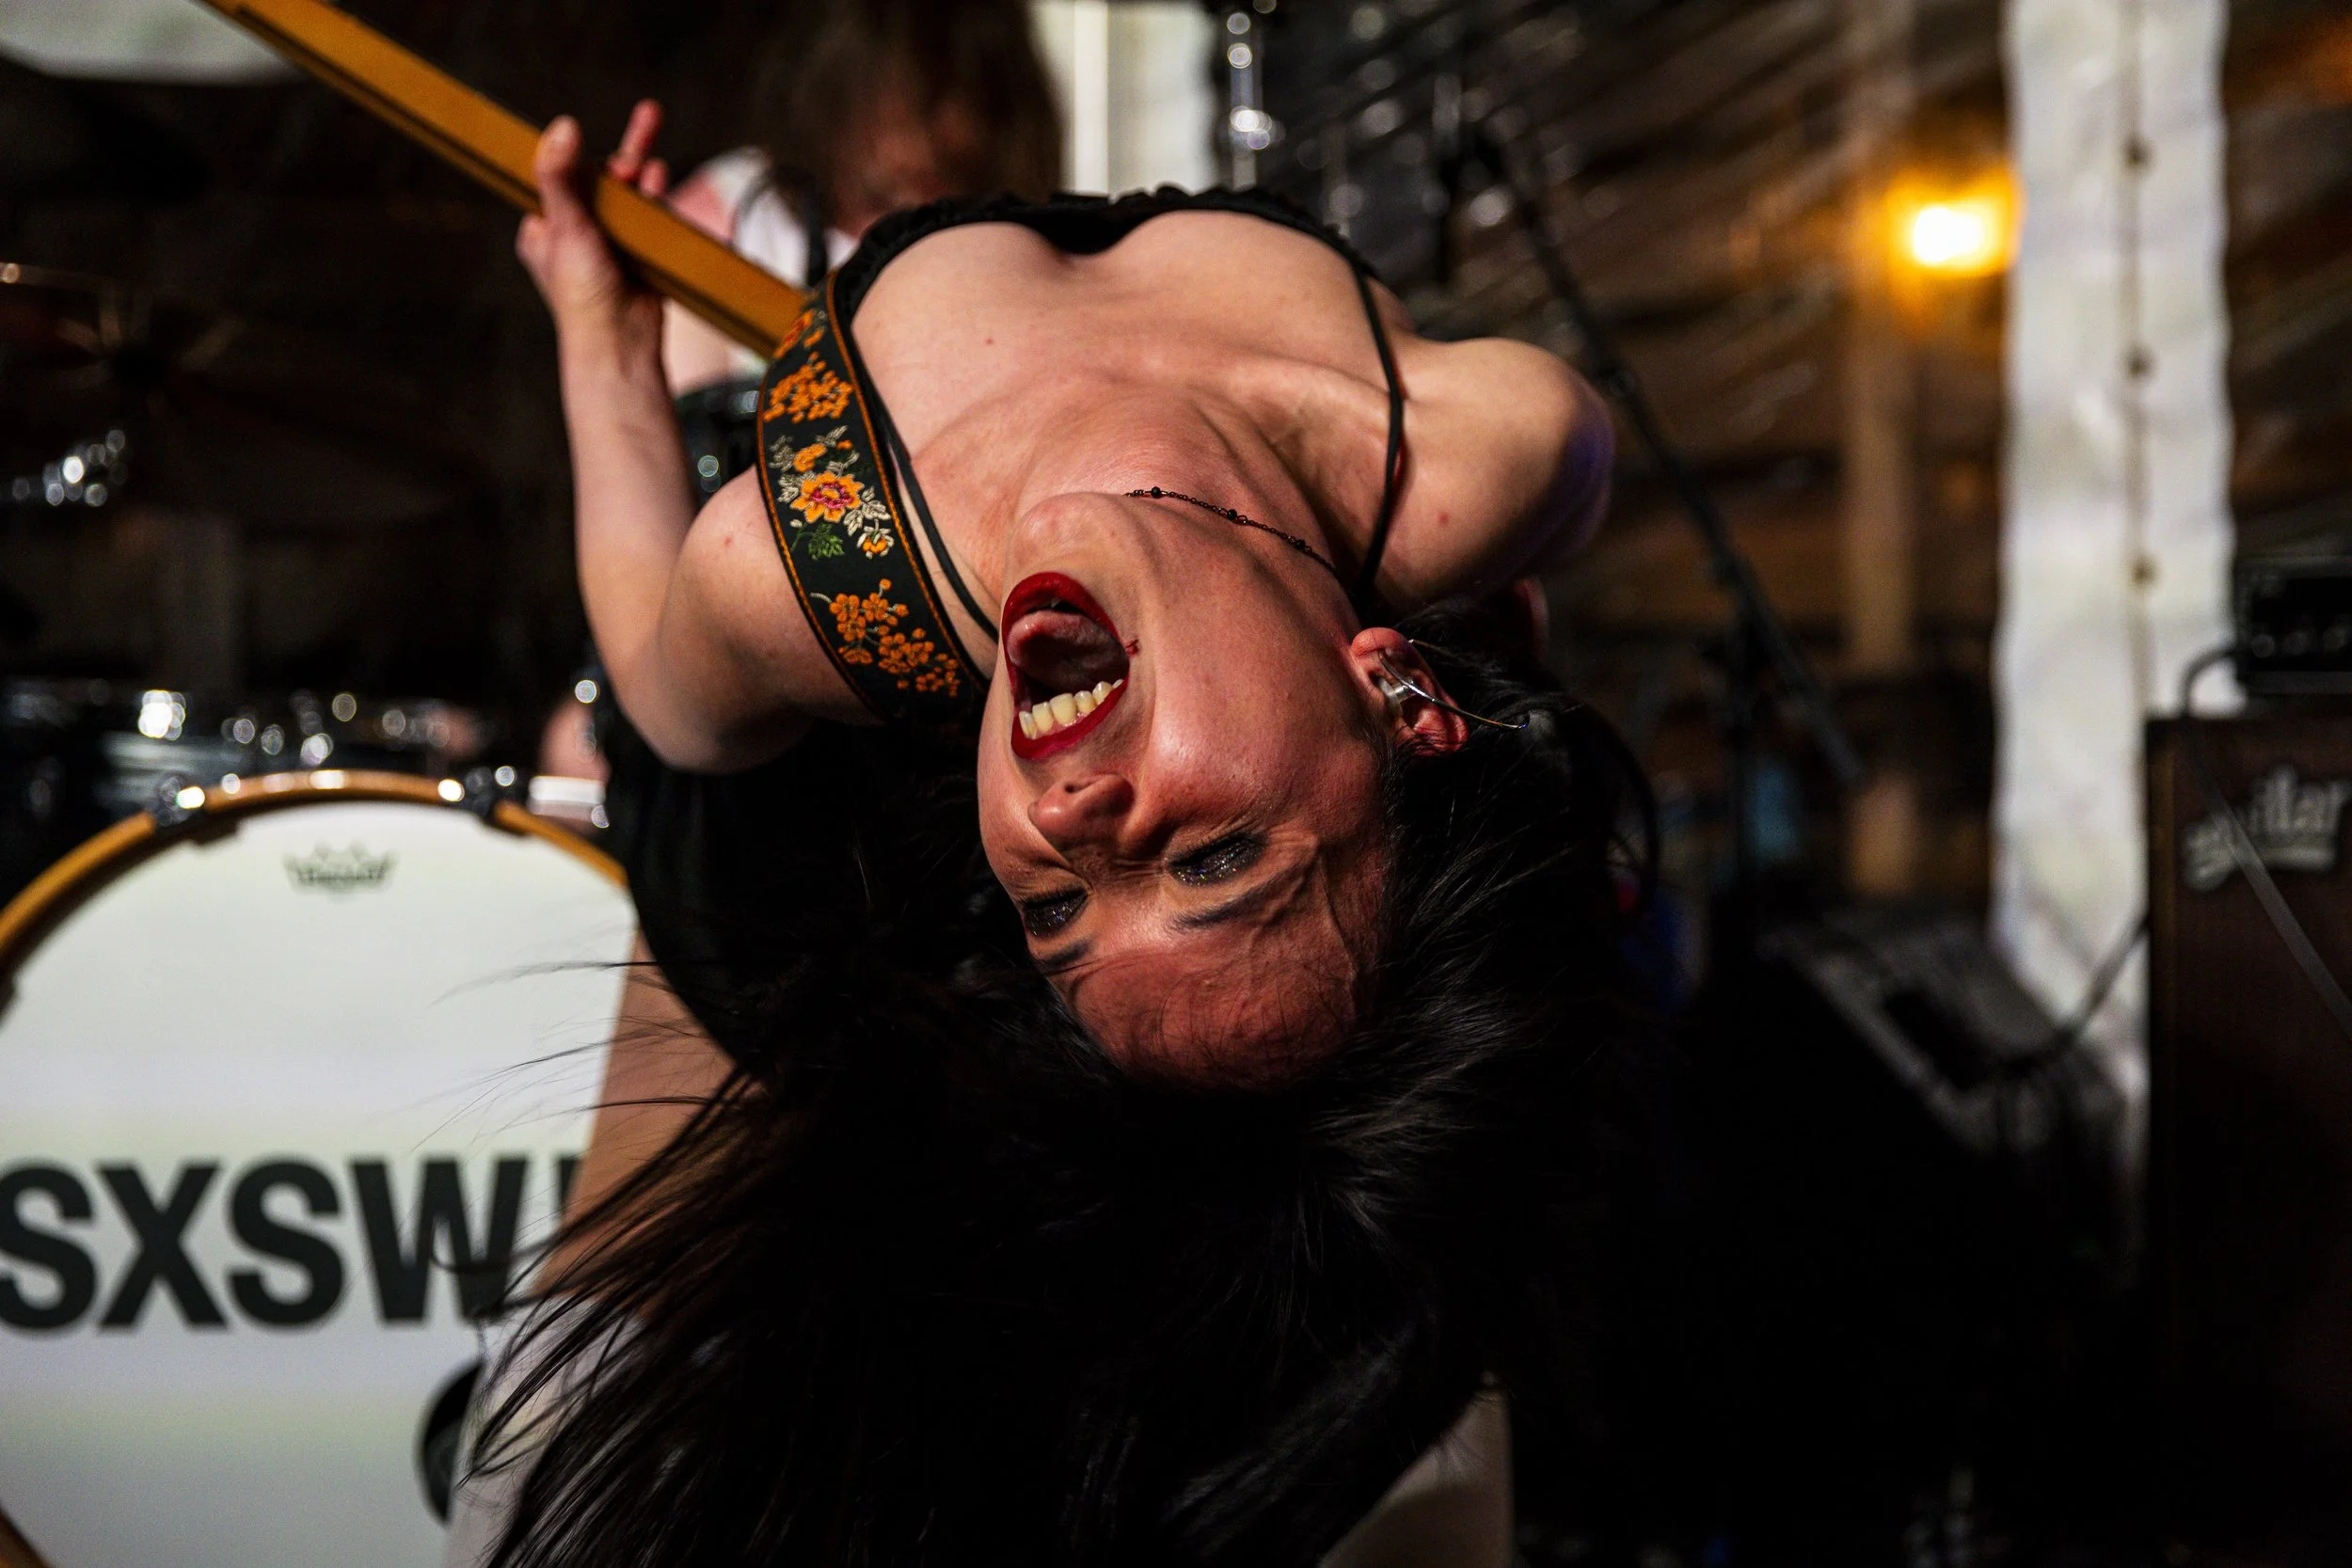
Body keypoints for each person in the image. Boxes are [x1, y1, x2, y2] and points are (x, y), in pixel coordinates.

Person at [517, 95, 1614, 1081]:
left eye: (1052, 907)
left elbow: (659, 692)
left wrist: (596, 329)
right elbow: (1513, 609)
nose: (1066, 817)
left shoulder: (825, 573)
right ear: (1396, 692)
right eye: (1214, 859)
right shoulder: (1485, 456)